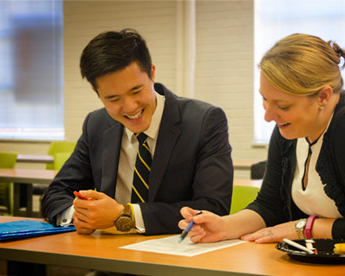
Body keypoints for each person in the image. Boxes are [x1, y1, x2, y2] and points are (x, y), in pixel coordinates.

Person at [179, 33, 345, 252]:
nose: (269, 116)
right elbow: (270, 205)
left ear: (324, 96)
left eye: (283, 105)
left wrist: (302, 228)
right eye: (265, 100)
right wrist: (223, 226)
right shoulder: (289, 128)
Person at [41, 28, 233, 236]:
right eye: (113, 99)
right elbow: (55, 193)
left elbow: (213, 207)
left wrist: (124, 215)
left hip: (178, 257)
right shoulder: (96, 124)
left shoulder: (203, 121)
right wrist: (79, 215)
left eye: (136, 91)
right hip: (111, 256)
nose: (130, 107)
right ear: (97, 93)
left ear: (151, 73)